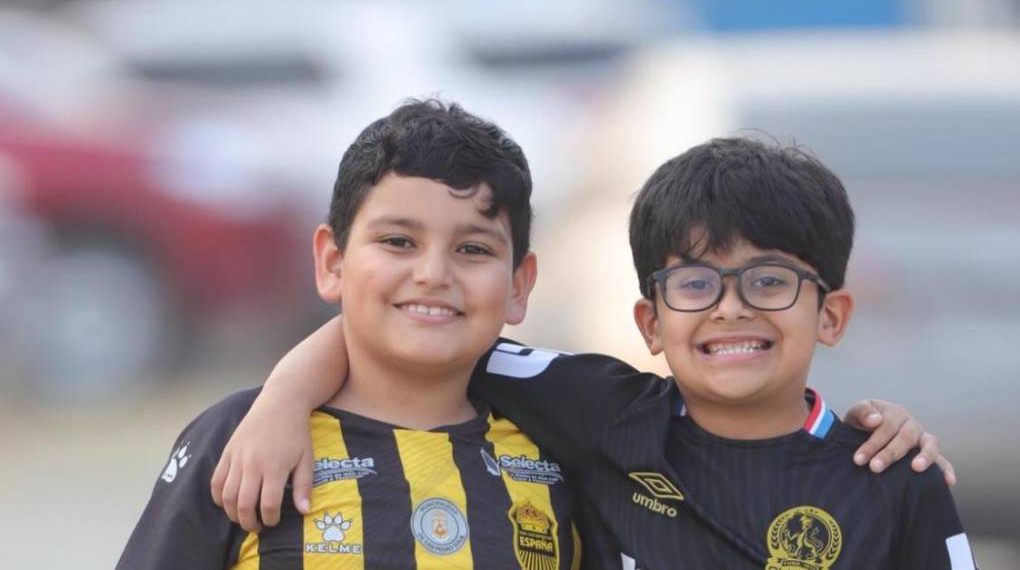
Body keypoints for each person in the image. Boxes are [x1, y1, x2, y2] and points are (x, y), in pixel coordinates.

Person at [213, 136, 966, 567]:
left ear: (830, 314)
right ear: (648, 322)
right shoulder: (598, 411)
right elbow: (418, 330)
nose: (732, 306)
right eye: (696, 283)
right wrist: (283, 397)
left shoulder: (892, 480)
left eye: (769, 281)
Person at [117, 100, 590, 569]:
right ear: (332, 262)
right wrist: (287, 394)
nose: (433, 273)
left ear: (519, 285)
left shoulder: (561, 452)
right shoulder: (244, 438)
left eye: (473, 248)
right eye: (398, 242)